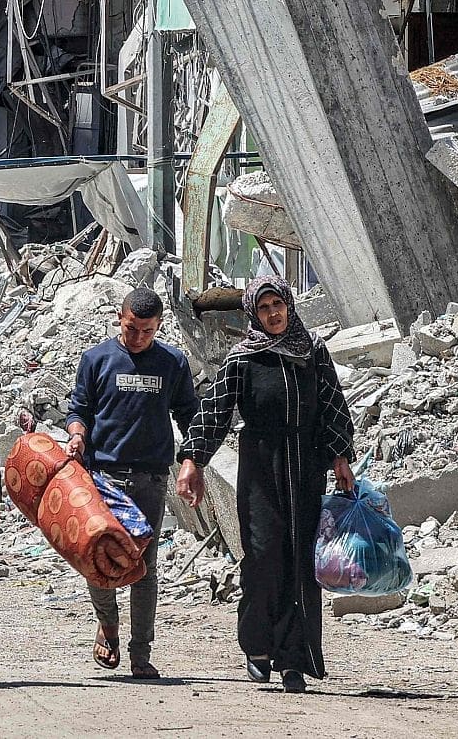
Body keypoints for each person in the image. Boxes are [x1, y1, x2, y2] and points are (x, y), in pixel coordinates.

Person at [177, 276, 354, 694]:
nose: (273, 314)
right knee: (263, 557)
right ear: (253, 314)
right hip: (260, 467)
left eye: (278, 305)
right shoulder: (243, 360)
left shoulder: (313, 351)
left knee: (299, 563)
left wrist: (340, 456)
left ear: (289, 306)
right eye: (264, 308)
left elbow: (332, 405)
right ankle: (258, 647)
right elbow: (215, 413)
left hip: (306, 468)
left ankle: (294, 659)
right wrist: (192, 460)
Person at [65, 287, 198, 680]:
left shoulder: (173, 363)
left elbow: (189, 414)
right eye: (131, 328)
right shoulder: (96, 359)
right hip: (103, 478)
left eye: (147, 331)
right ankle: (108, 624)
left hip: (150, 481)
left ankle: (141, 651)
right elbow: (79, 410)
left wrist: (193, 460)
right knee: (97, 559)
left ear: (159, 327)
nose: (138, 337)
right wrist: (76, 434)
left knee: (143, 566)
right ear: (119, 319)